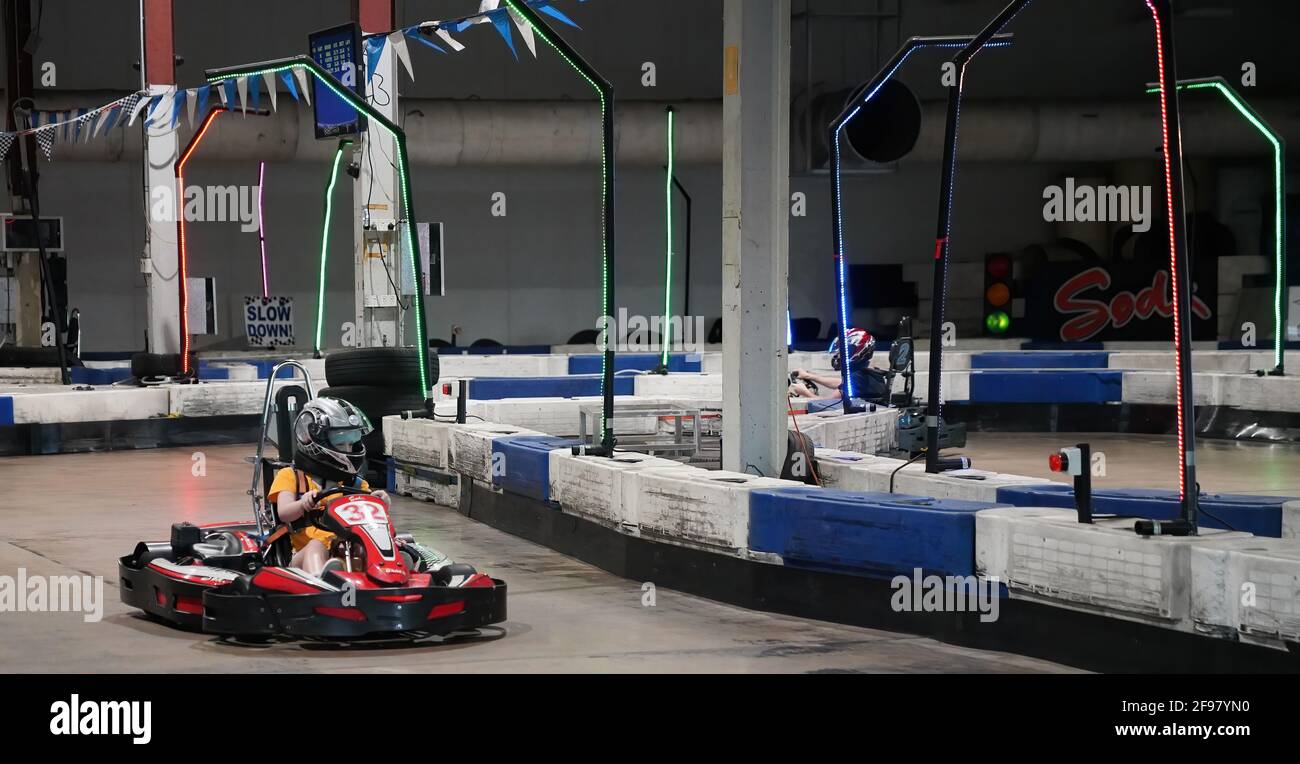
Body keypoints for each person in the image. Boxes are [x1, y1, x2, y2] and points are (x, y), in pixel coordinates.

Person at [266, 397, 389, 576]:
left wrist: (380, 502)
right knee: (316, 547)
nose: (347, 449)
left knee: (372, 544)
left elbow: (367, 517)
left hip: (342, 552)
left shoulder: (353, 483)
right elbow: (284, 513)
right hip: (301, 558)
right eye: (341, 444)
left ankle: (392, 571)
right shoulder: (292, 476)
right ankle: (321, 580)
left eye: (350, 443)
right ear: (311, 440)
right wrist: (302, 505)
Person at [790, 328, 890, 410]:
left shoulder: (856, 378)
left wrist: (804, 392)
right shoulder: (867, 374)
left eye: (845, 351)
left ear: (858, 352)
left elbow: (827, 403)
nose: (838, 355)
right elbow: (841, 383)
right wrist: (809, 376)